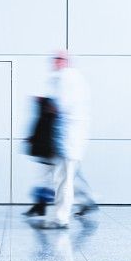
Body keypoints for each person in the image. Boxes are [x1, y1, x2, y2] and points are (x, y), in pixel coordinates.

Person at [40, 51, 97, 229]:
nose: (54, 63)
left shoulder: (66, 78)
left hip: (68, 138)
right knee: (65, 177)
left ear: (64, 61)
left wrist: (45, 104)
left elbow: (61, 105)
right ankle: (71, 209)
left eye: (57, 59)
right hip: (71, 139)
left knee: (64, 179)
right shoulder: (76, 79)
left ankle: (61, 218)